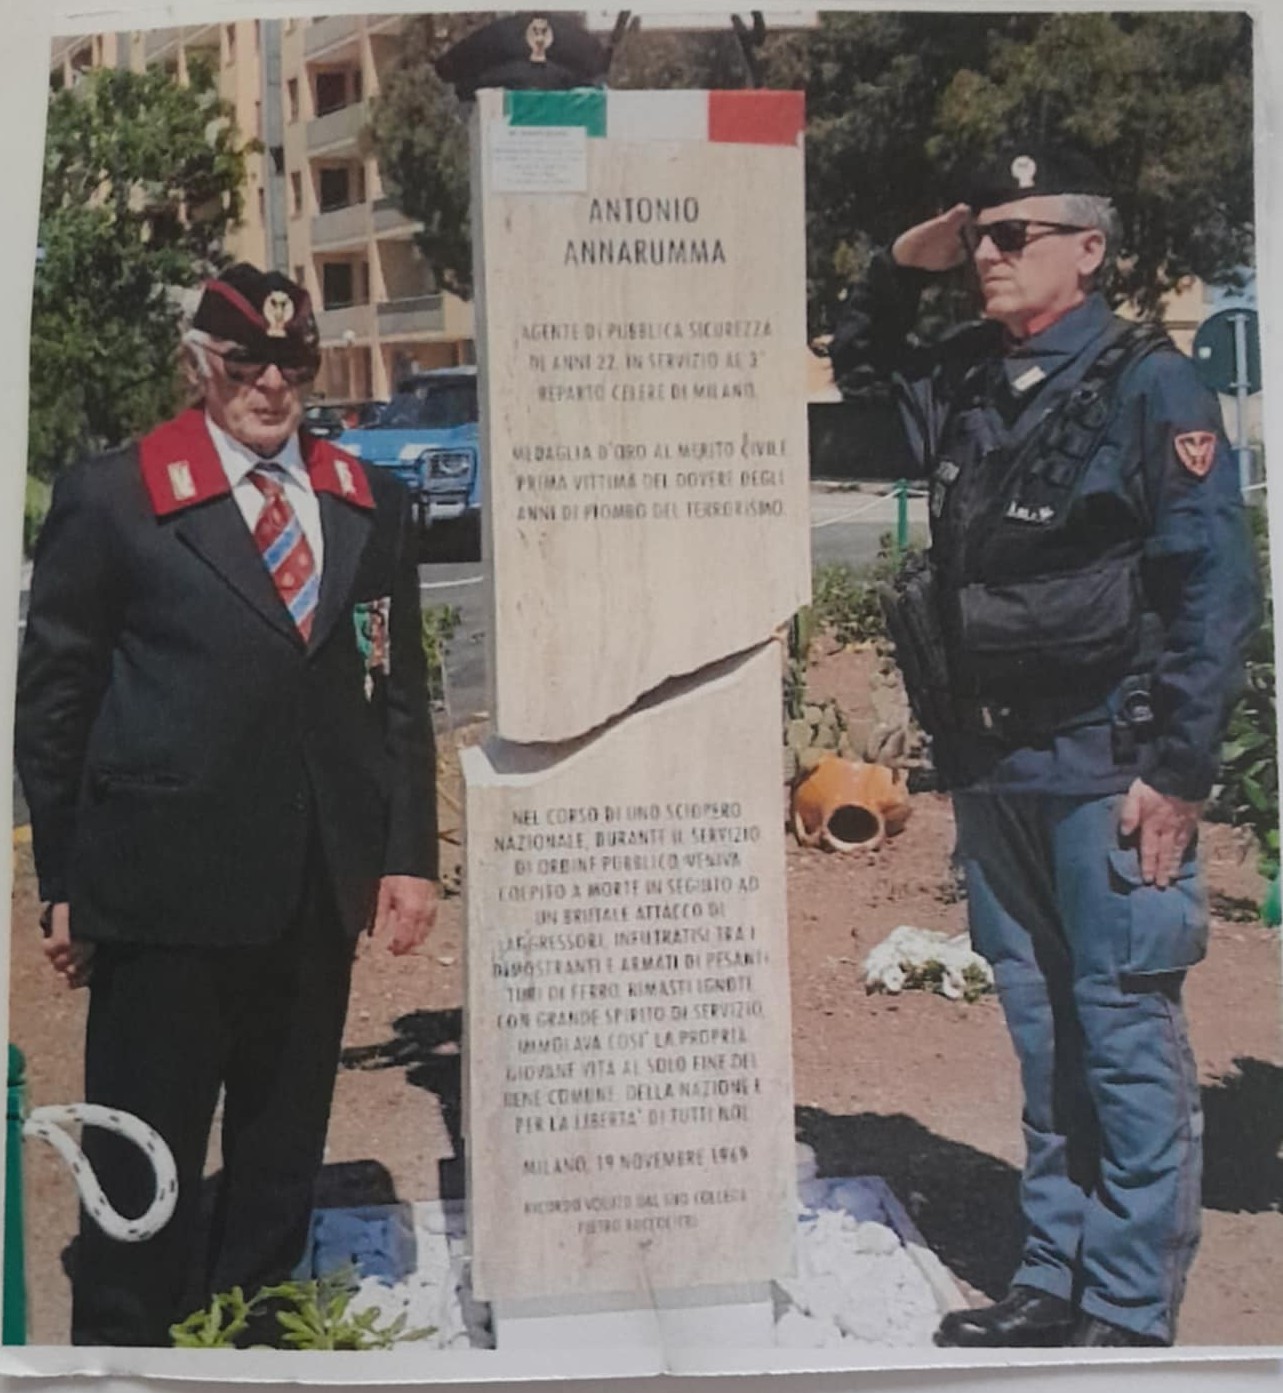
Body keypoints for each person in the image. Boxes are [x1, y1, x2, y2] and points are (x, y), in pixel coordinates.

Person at [829, 148, 1260, 1348]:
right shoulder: (971, 376)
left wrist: (1176, 772)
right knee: (1039, 1034)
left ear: (1089, 249)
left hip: (1107, 768)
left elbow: (1213, 588)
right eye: (980, 232)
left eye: (1015, 234)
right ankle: (1052, 1276)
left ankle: (1124, 1307)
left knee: (1120, 1036)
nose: (987, 252)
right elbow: (861, 369)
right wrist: (895, 263)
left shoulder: (1151, 386)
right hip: (994, 769)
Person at [16, 264, 440, 1346]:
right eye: (245, 364)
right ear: (200, 365)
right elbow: (56, 700)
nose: (271, 387)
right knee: (141, 1154)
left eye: (292, 364)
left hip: (312, 885)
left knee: (279, 1150)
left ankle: (254, 1340)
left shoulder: (364, 499)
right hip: (163, 889)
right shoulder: (117, 496)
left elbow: (394, 687)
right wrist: (63, 877)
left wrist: (406, 852)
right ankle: (124, 1348)